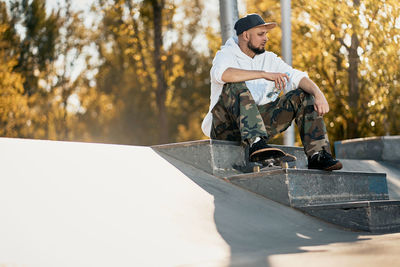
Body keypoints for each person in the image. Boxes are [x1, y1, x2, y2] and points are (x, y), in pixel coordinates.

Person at [201, 13, 342, 171]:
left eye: (266, 34)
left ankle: (317, 155)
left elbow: (296, 77)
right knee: (234, 86)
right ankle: (256, 143)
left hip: (258, 124)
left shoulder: (270, 59)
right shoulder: (226, 55)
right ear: (246, 35)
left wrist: (318, 94)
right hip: (224, 128)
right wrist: (263, 74)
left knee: (303, 94)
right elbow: (223, 74)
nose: (266, 38)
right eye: (261, 34)